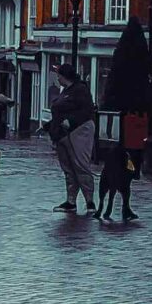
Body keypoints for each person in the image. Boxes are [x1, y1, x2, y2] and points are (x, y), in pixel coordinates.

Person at [47, 66, 99, 213]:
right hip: (62, 135)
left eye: (59, 75)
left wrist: (71, 121)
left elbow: (87, 110)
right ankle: (71, 201)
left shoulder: (80, 90)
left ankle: (90, 202)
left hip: (77, 133)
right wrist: (50, 125)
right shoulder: (67, 91)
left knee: (81, 166)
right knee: (68, 169)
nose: (57, 78)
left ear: (65, 76)